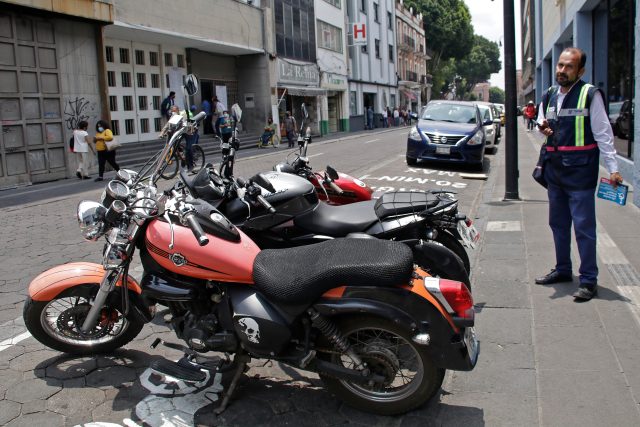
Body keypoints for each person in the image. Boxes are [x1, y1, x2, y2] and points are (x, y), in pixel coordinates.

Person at [534, 47, 623, 302]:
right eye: (560, 65)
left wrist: (614, 169)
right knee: (558, 224)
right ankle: (562, 270)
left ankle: (588, 280)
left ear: (580, 70)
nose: (561, 71)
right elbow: (542, 122)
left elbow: (604, 134)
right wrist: (544, 129)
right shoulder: (549, 94)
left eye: (568, 67)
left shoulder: (589, 94)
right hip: (555, 172)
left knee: (584, 227)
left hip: (581, 173)